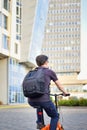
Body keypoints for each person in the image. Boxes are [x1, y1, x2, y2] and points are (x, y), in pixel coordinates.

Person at [28, 54, 69, 130]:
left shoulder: (32, 72)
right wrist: (65, 92)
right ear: (46, 62)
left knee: (38, 104)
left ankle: (40, 123)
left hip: (31, 100)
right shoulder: (49, 71)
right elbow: (59, 86)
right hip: (44, 100)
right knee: (55, 116)